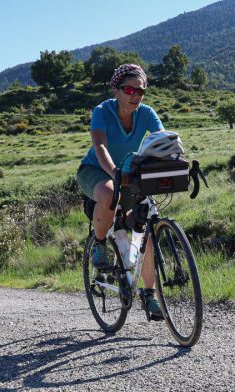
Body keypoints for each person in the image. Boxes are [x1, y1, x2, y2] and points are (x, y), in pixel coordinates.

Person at [77, 63, 164, 320]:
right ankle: (101, 244)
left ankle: (149, 294)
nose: (135, 95)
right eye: (129, 89)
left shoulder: (146, 113)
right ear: (116, 90)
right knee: (108, 194)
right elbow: (100, 146)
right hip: (96, 170)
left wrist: (174, 161)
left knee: (144, 229)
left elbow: (162, 139)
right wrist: (114, 170)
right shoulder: (102, 111)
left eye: (141, 91)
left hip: (128, 174)